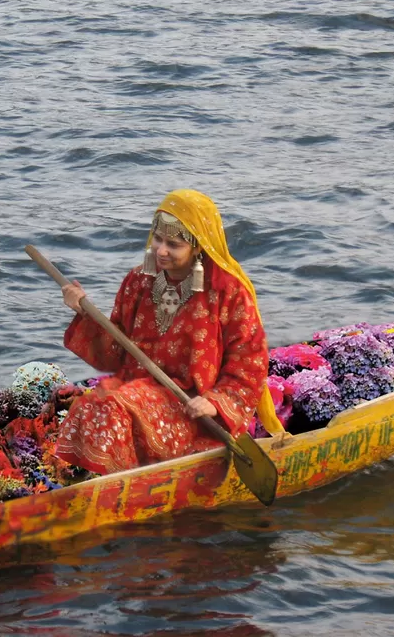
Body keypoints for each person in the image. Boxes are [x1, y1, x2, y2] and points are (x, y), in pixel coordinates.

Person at [54, 189, 284, 475]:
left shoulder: (227, 291)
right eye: (158, 240)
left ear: (198, 246)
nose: (161, 251)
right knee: (87, 407)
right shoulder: (139, 280)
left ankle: (120, 491)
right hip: (136, 390)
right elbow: (115, 351)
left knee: (113, 408)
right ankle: (105, 484)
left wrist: (216, 402)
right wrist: (83, 312)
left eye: (173, 244)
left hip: (192, 408)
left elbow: (250, 361)